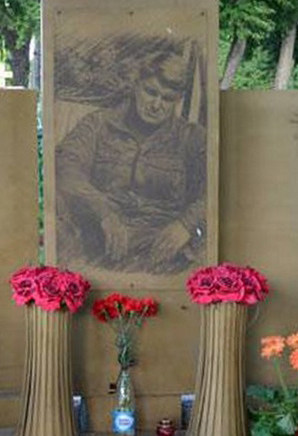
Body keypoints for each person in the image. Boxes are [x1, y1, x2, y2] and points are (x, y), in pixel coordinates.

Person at [55, 50, 206, 274]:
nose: (156, 105)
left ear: (178, 100)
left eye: (167, 99)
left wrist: (186, 224)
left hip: (160, 247)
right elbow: (66, 169)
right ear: (136, 86)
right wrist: (103, 212)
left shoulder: (192, 138)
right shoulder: (98, 124)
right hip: (96, 237)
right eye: (150, 92)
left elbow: (216, 186)